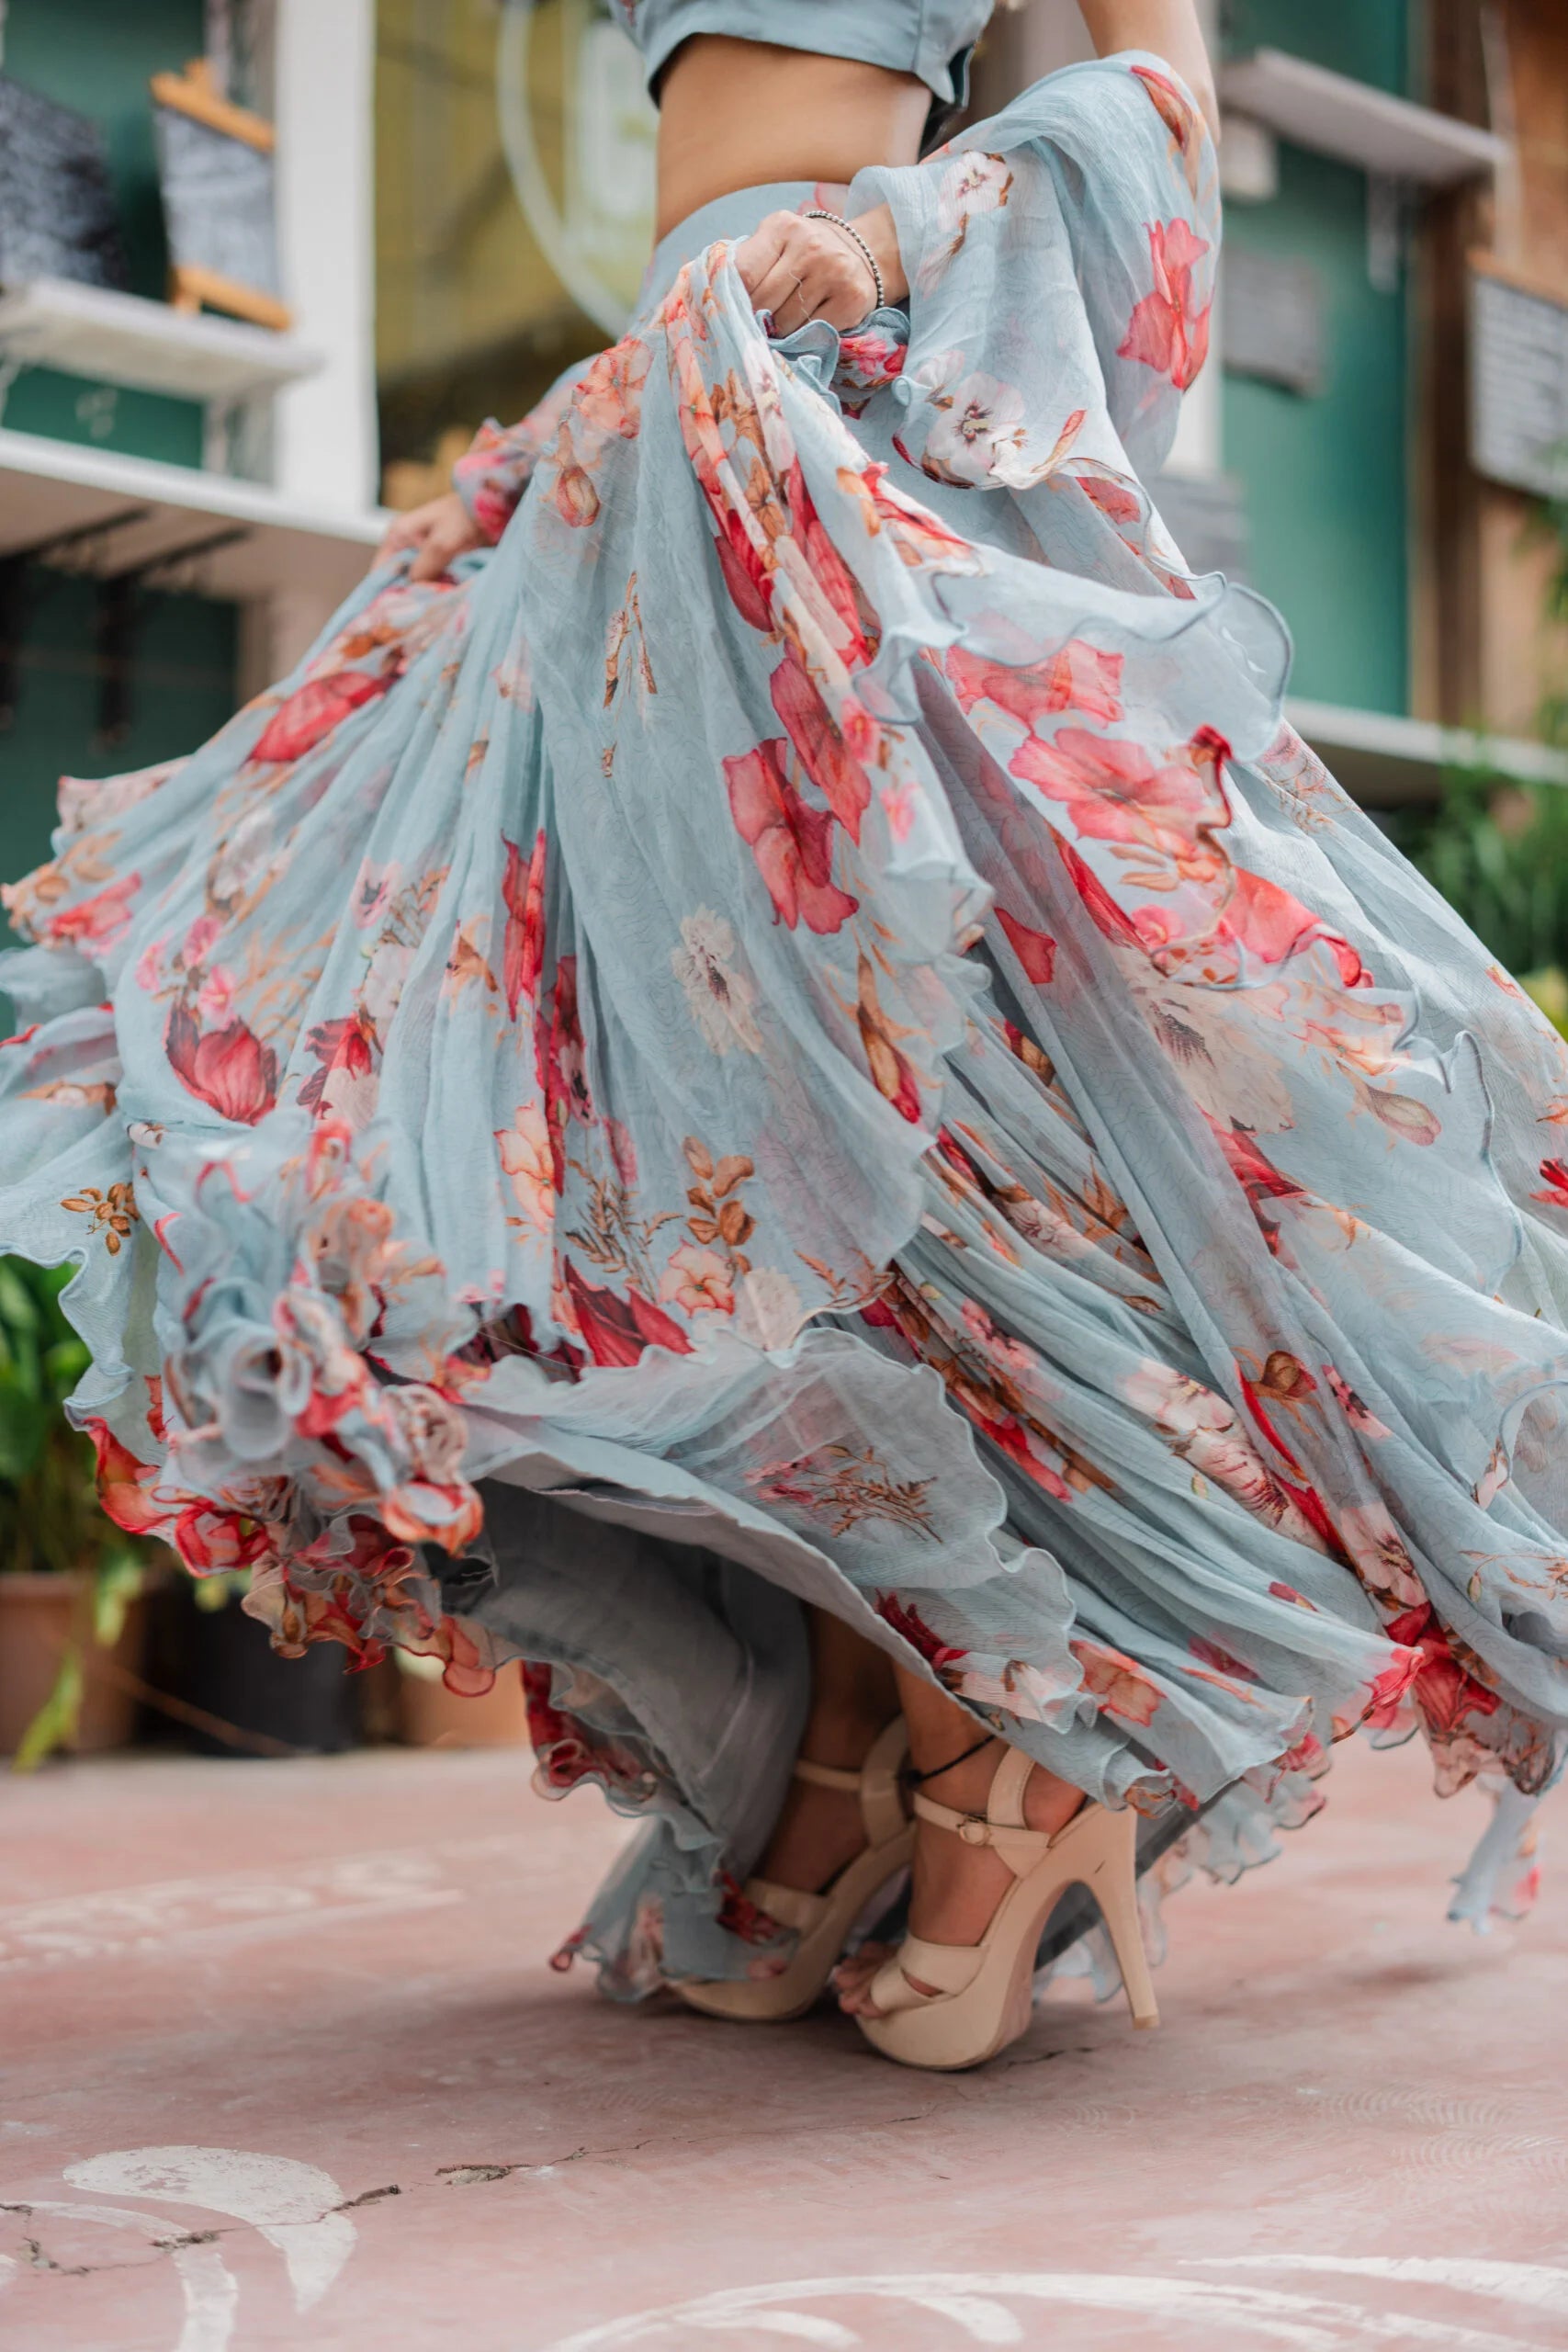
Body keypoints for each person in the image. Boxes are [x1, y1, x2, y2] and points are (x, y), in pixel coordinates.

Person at [4, 0, 1564, 2073]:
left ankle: (1011, 1744)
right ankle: (832, 1732)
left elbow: (1163, 100)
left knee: (907, 1141)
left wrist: (907, 235)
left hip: (842, 393)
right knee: (641, 1141)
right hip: (661, 422)